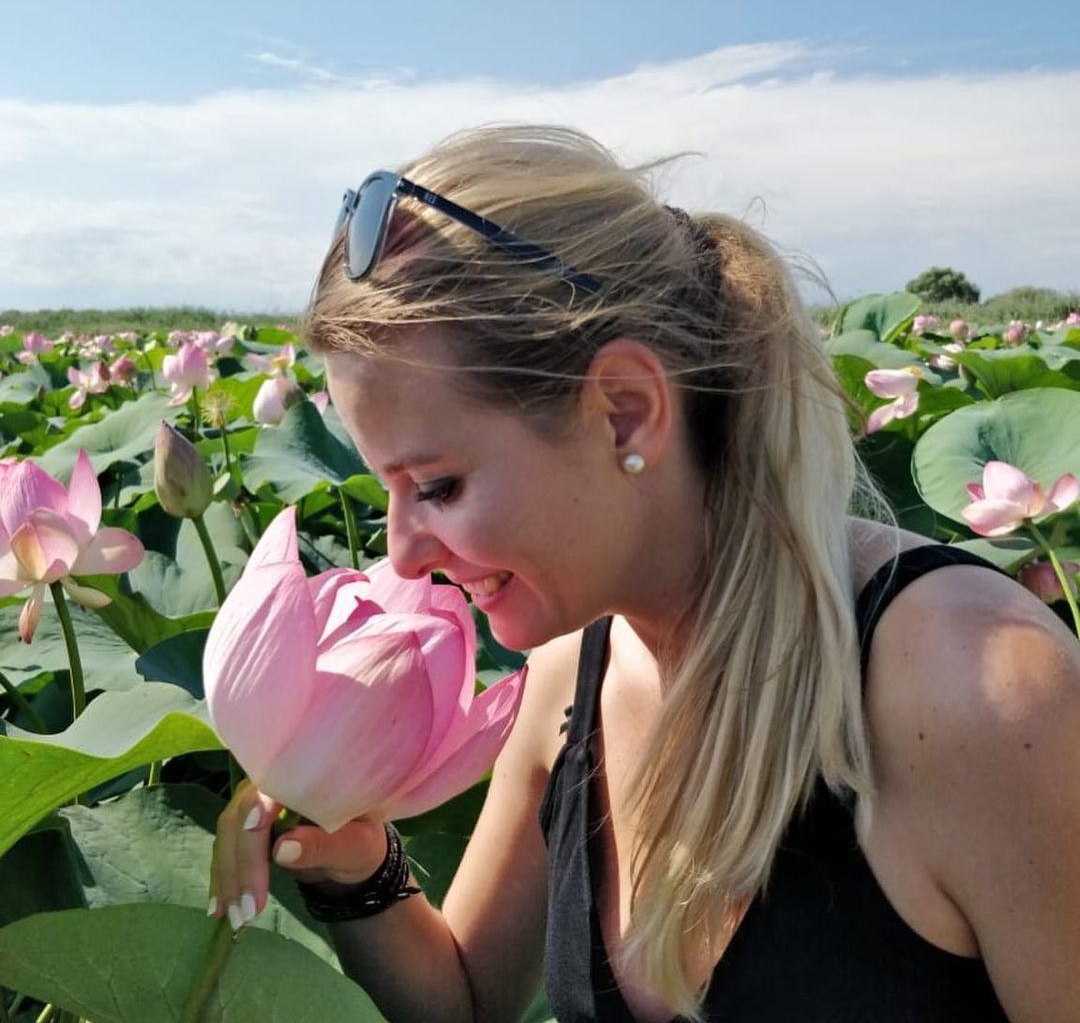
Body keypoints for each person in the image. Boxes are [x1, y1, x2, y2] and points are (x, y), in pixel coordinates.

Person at [209, 125, 1080, 1022]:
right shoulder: (561, 685)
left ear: (624, 413)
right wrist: (359, 867)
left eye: (436, 485)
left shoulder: (990, 695)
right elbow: (468, 1003)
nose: (400, 553)